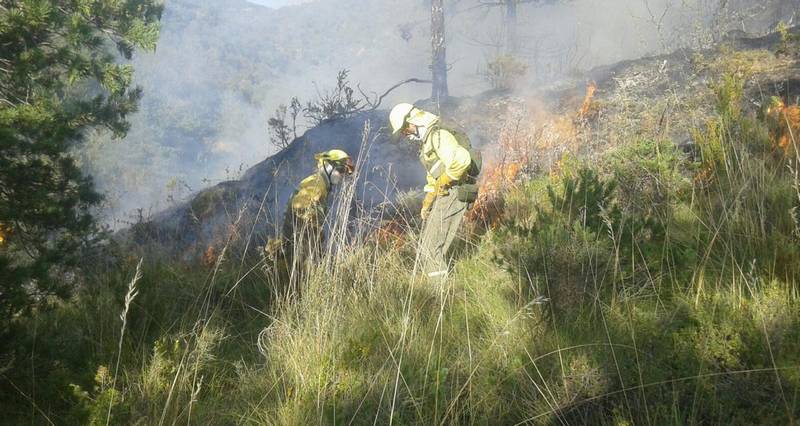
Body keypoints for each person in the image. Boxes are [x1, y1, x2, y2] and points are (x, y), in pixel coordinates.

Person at [389, 103, 480, 279]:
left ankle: (439, 295)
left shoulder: (438, 135)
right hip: (446, 193)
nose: (405, 135)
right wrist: (428, 202)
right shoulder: (428, 141)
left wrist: (445, 180)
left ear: (412, 120)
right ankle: (438, 289)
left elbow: (461, 161)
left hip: (454, 191)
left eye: (404, 130)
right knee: (426, 246)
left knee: (430, 248)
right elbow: (435, 177)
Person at [267, 149, 354, 292]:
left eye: (343, 172)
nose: (341, 175)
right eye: (339, 170)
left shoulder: (321, 184)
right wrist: (314, 227)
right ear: (328, 165)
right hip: (302, 237)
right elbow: (300, 206)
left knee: (307, 272)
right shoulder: (317, 183)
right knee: (309, 276)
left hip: (302, 236)